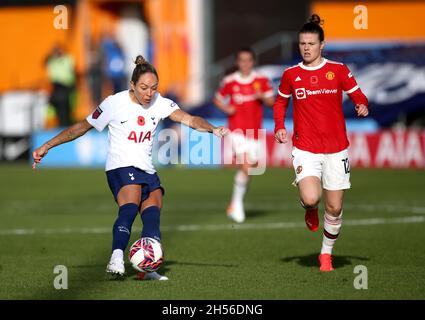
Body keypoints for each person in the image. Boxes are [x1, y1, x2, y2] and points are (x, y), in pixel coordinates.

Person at [32, 55, 228, 280]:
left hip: (147, 169)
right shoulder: (114, 103)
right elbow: (80, 128)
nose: (149, 93)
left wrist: (213, 129)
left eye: (154, 88)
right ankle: (116, 258)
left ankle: (148, 267)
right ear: (132, 85)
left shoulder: (160, 102)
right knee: (130, 205)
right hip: (120, 167)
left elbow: (190, 119)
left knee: (153, 213)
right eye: (144, 87)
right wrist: (47, 145)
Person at [273, 14, 369, 272]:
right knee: (311, 197)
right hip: (305, 148)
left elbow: (358, 94)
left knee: (335, 207)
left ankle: (325, 254)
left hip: (337, 149)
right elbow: (281, 102)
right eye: (302, 44)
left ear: (321, 45)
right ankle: (308, 207)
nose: (306, 48)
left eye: (311, 44)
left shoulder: (337, 70)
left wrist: (361, 104)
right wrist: (280, 126)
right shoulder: (291, 74)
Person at [213, 48, 275, 223]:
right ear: (237, 62)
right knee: (247, 166)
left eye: (248, 60)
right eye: (242, 60)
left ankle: (233, 203)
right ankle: (237, 205)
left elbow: (272, 101)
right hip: (237, 131)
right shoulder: (230, 81)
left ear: (253, 62)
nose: (245, 63)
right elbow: (217, 98)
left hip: (255, 132)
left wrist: (261, 96)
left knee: (249, 169)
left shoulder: (261, 80)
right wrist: (227, 108)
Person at [45, 45, 76, 126]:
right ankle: (60, 123)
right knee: (56, 107)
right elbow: (45, 61)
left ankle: (65, 124)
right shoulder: (52, 60)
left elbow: (71, 69)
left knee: (65, 107)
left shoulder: (67, 59)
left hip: (66, 86)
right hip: (55, 86)